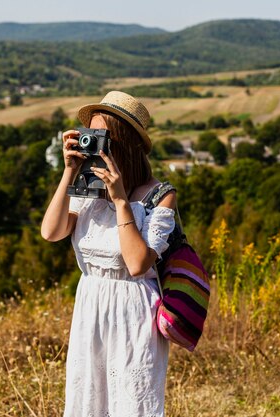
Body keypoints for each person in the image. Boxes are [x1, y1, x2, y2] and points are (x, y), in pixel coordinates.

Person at [41, 91, 176, 416]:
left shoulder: (159, 195)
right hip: (92, 306)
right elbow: (51, 232)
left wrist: (119, 201)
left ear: (123, 142)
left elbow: (136, 263)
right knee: (89, 402)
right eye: (90, 134)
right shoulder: (87, 188)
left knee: (131, 402)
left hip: (133, 314)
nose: (93, 143)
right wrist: (70, 171)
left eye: (101, 136)